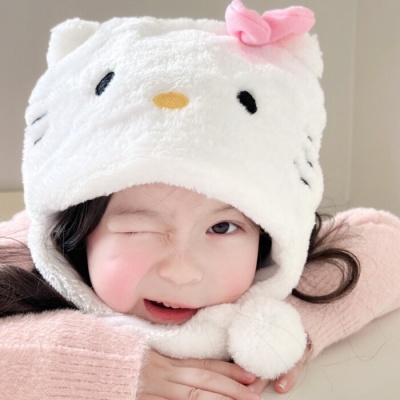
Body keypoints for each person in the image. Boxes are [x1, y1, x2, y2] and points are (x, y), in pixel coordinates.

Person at [1, 1, 400, 398]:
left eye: (222, 227)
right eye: (139, 229)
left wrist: (280, 328)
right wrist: (99, 364)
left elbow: (389, 243)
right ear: (74, 234)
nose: (182, 272)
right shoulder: (29, 254)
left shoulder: (265, 280)